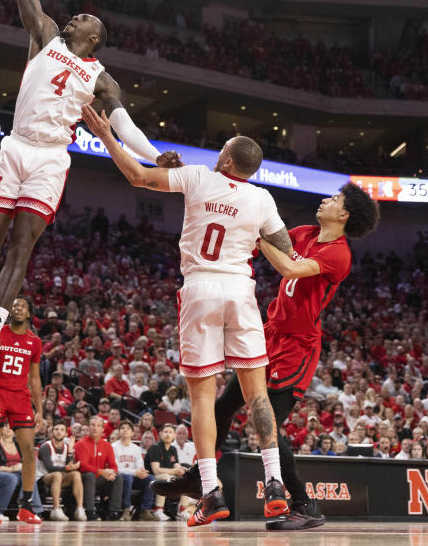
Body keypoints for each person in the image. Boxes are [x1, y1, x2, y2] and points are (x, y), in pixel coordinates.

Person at [0, 0, 180, 377]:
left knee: (22, 245)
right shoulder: (45, 35)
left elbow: (121, 121)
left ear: (95, 38)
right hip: (15, 148)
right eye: (75, 16)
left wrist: (150, 155)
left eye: (84, 19)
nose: (75, 17)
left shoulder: (102, 79)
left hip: (50, 158)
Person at [82, 105, 294, 527]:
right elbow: (284, 249)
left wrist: (107, 135)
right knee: (257, 395)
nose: (217, 152)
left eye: (223, 150)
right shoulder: (263, 197)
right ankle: (274, 484)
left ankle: (211, 491)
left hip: (200, 288)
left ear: (229, 160)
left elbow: (139, 177)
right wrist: (249, 235)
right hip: (240, 288)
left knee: (202, 396)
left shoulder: (199, 176)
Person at [151, 183, 379, 531]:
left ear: (345, 215)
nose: (324, 199)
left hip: (297, 346)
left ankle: (304, 504)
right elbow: (266, 241)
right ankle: (201, 476)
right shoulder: (304, 233)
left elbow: (289, 269)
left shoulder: (339, 253)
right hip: (270, 332)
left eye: (334, 199)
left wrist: (262, 240)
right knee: (222, 407)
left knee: (267, 423)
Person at [0, 297, 43, 524]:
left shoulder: (34, 341)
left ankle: (26, 506)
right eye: (14, 305)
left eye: (22, 306)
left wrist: (40, 410)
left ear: (29, 313)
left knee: (28, 452)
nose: (17, 308)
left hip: (20, 398)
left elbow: (35, 379)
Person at [74, 416, 123, 520]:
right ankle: (90, 510)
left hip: (99, 477)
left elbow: (113, 466)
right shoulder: (80, 444)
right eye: (93, 425)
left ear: (102, 429)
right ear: (88, 427)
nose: (95, 428)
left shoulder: (107, 446)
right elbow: (83, 466)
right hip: (82, 478)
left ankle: (113, 511)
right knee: (90, 475)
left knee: (117, 477)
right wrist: (102, 471)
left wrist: (111, 473)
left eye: (98, 426)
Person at [37, 419, 85, 521]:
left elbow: (70, 466)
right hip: (43, 478)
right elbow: (50, 468)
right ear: (51, 432)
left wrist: (71, 452)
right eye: (56, 429)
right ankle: (56, 509)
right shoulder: (45, 447)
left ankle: (80, 509)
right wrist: (67, 468)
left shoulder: (67, 447)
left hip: (60, 477)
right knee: (57, 474)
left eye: (62, 430)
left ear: (66, 433)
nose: (59, 432)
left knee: (76, 474)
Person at [112, 419, 155, 520]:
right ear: (119, 432)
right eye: (122, 428)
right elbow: (116, 468)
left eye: (128, 428)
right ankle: (126, 509)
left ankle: (145, 510)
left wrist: (142, 472)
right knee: (127, 478)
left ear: (132, 433)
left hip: (134, 477)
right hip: (120, 478)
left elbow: (140, 466)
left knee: (151, 479)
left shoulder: (136, 448)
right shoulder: (113, 447)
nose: (125, 430)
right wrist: (135, 472)